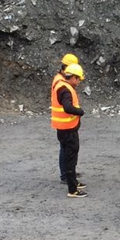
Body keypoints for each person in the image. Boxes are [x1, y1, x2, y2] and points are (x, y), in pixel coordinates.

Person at [51, 63, 87, 198]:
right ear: (73, 77)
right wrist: (80, 111)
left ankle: (73, 183)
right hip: (68, 129)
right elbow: (67, 107)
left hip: (64, 128)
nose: (78, 83)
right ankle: (73, 190)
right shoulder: (65, 90)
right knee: (71, 158)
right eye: (78, 79)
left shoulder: (61, 85)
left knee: (69, 156)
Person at [53, 54, 81, 183]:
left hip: (63, 123)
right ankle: (66, 175)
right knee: (66, 151)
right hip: (65, 124)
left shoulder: (60, 80)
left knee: (65, 149)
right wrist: (79, 112)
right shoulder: (62, 84)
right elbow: (67, 106)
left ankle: (68, 173)